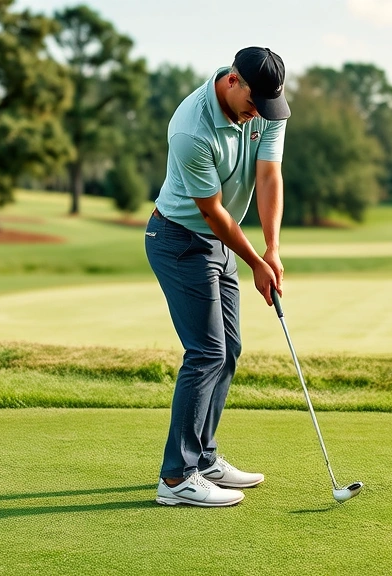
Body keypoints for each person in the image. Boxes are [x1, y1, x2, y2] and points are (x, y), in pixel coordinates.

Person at [144, 46, 291, 507]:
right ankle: (176, 479)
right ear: (232, 81)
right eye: (252, 104)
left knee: (229, 350)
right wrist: (255, 263)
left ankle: (204, 458)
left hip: (222, 240)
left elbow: (268, 177)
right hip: (180, 239)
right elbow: (212, 214)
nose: (257, 116)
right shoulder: (190, 128)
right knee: (206, 351)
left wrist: (271, 249)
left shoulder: (264, 106)